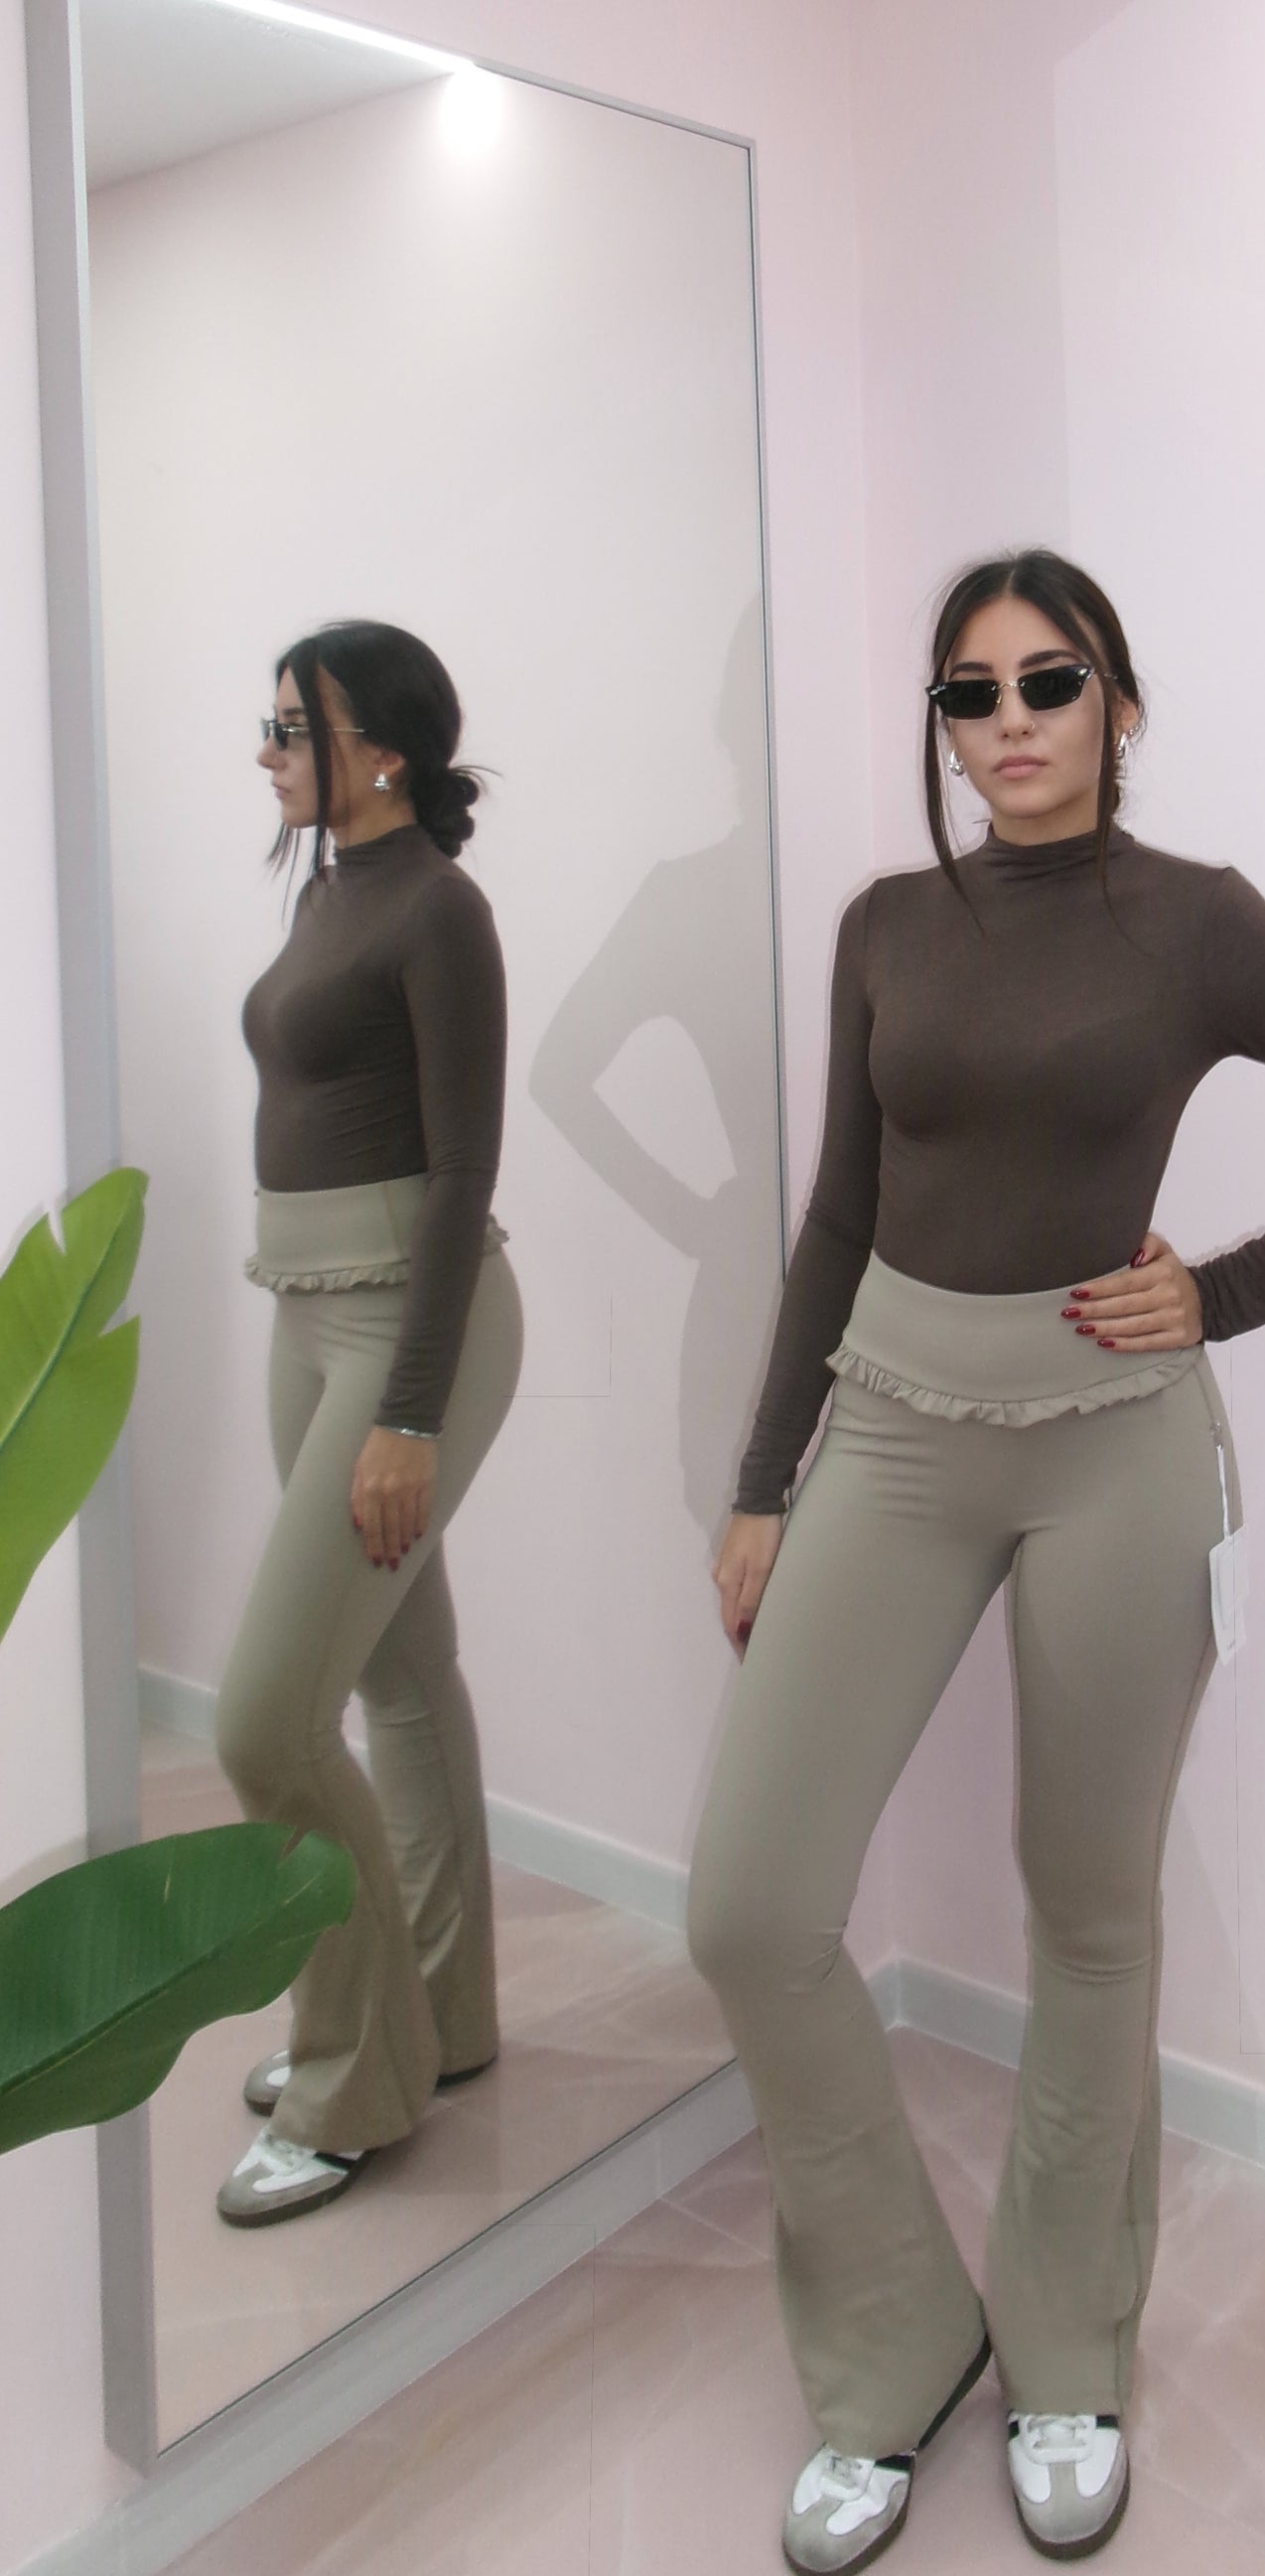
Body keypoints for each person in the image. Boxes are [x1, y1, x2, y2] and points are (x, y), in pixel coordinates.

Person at [687, 548, 1265, 2569]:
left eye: (1051, 681)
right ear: (941, 728)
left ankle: (1066, 2349)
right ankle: (894, 2340)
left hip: (1115, 1450)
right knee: (753, 1904)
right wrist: (766, 1478)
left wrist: (1214, 1293)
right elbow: (836, 1218)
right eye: (970, 692)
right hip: (890, 1424)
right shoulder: (884, 927)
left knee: (1089, 1912)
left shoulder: (1197, 922)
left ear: (1119, 704)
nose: (1011, 720)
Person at [211, 621, 523, 2227]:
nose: (268, 752)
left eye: (295, 727)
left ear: (382, 747)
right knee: (399, 1675)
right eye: (269, 724)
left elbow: (465, 1173)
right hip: (304, 1303)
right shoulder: (327, 889)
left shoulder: (439, 909)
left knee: (264, 1722)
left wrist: (408, 1410)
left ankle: (354, 2071)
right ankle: (440, 2011)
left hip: (411, 1321)